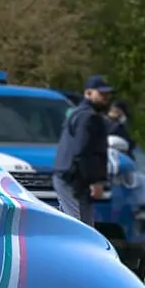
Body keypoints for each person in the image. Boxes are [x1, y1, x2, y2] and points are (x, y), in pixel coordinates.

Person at [53, 74, 114, 225]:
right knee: (77, 227)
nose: (105, 97)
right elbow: (83, 152)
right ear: (88, 93)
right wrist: (95, 181)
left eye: (107, 94)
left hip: (76, 180)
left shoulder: (80, 113)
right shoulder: (87, 117)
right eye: (101, 94)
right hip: (72, 180)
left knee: (85, 227)